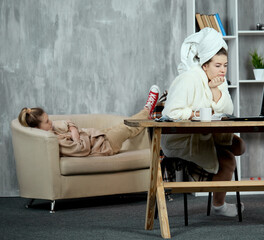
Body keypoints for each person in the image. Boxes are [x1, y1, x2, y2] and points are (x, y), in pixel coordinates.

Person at [161, 28, 246, 217]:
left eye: (225, 65)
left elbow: (229, 110)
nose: (222, 70)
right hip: (182, 139)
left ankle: (217, 189)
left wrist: (215, 90)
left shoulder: (218, 80)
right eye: (217, 65)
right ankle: (219, 205)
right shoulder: (189, 79)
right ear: (204, 65)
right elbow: (170, 111)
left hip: (206, 132)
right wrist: (193, 113)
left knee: (240, 146)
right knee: (229, 159)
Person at [18, 85, 160, 157]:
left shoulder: (52, 132)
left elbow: (67, 123)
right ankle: (148, 109)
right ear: (38, 128)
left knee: (124, 124)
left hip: (98, 137)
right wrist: (74, 131)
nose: (51, 123)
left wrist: (70, 128)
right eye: (47, 122)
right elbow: (82, 149)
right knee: (128, 128)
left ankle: (147, 112)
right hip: (104, 146)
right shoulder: (57, 142)